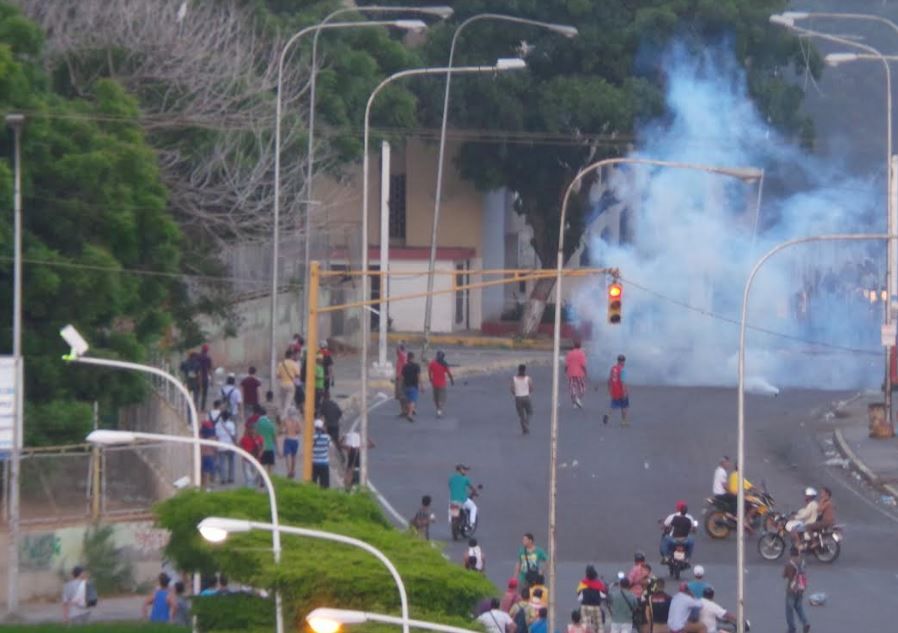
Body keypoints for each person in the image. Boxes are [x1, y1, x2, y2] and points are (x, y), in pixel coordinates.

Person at [783, 547, 810, 633]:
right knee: (799, 606)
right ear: (798, 553)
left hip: (791, 589)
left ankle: (792, 628)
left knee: (789, 610)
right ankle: (805, 622)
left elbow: (784, 575)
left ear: (790, 554)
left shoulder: (789, 564)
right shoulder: (802, 562)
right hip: (801, 588)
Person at [576, 564, 606, 633]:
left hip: (585, 607)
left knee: (585, 627)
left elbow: (579, 596)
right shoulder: (599, 583)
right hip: (596, 607)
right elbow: (603, 595)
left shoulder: (583, 583)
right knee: (599, 626)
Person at [603, 354, 629, 426]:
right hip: (621, 390)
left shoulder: (613, 368)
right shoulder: (622, 370)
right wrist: (624, 392)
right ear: (622, 361)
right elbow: (623, 382)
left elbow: (609, 380)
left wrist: (609, 390)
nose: (624, 363)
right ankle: (624, 421)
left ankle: (607, 415)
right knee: (624, 406)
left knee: (613, 405)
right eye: (623, 361)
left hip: (614, 390)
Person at [428, 350, 455, 418]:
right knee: (441, 398)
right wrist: (452, 380)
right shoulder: (444, 364)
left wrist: (430, 378)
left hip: (434, 383)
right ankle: (439, 411)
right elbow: (449, 373)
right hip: (442, 384)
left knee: (436, 398)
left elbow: (429, 370)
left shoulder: (432, 363)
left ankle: (438, 409)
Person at [214, 409, 237, 484]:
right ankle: (231, 478)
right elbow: (233, 435)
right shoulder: (231, 424)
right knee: (231, 462)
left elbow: (216, 436)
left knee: (222, 463)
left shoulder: (217, 425)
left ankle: (223, 479)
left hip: (221, 446)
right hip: (230, 445)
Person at [254, 404, 277, 476]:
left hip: (261, 448)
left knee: (262, 465)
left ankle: (262, 480)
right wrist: (277, 448)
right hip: (270, 447)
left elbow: (255, 435)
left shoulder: (257, 423)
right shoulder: (271, 423)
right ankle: (269, 479)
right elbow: (274, 437)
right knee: (270, 465)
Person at [511, 364, 534, 434]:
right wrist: (529, 392)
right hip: (526, 396)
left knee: (521, 415)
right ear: (525, 370)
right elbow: (531, 387)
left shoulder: (514, 378)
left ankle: (524, 427)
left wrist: (515, 394)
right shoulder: (528, 378)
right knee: (530, 412)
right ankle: (526, 422)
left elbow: (512, 389)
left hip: (518, 397)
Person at [276, 349, 301, 414]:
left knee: (282, 402)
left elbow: (278, 376)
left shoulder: (280, 364)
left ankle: (281, 416)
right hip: (290, 385)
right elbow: (297, 375)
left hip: (282, 384)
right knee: (288, 403)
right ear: (291, 356)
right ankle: (284, 417)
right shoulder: (294, 364)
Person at [239, 423, 263, 487]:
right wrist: (243, 453)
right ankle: (250, 488)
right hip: (247, 459)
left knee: (255, 476)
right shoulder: (244, 438)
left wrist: (261, 452)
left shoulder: (259, 438)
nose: (253, 431)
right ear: (248, 430)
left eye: (254, 429)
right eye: (251, 429)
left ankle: (252, 487)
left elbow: (262, 446)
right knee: (249, 477)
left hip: (256, 459)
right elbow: (240, 445)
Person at [565, 341, 588, 408]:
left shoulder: (569, 353)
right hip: (579, 373)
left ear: (574, 346)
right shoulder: (581, 354)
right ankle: (578, 399)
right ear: (580, 346)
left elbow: (566, 365)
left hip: (571, 373)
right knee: (582, 388)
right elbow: (583, 365)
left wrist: (565, 371)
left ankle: (574, 403)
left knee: (572, 388)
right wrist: (585, 372)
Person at [401, 351, 422, 420]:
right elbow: (418, 376)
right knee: (412, 401)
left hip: (406, 386)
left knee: (408, 400)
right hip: (413, 386)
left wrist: (401, 385)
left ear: (407, 358)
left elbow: (402, 377)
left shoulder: (405, 366)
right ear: (413, 358)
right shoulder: (417, 366)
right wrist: (421, 386)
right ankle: (409, 415)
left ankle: (410, 410)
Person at [282, 407, 301, 479]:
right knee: (293, 456)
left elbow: (281, 430)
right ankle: (292, 470)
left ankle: (289, 470)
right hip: (295, 440)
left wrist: (285, 431)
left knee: (287, 455)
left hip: (288, 439)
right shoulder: (297, 421)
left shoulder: (285, 420)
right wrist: (295, 430)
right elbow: (299, 431)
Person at [199, 414, 217, 488]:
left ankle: (204, 486)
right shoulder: (212, 438)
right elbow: (215, 447)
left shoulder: (200, 437)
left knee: (204, 472)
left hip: (203, 456)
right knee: (210, 472)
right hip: (210, 456)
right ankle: (209, 485)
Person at [312, 419, 331, 488]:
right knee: (324, 486)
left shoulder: (312, 437)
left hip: (314, 462)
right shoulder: (327, 437)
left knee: (312, 484)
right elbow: (329, 446)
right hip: (324, 463)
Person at [395, 341, 409, 416]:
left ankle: (405, 410)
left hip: (401, 377)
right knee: (402, 394)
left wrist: (398, 344)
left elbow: (398, 350)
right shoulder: (405, 355)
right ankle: (406, 409)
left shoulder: (402, 356)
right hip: (402, 377)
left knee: (401, 394)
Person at [198, 344, 213, 411]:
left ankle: (195, 406)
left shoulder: (198, 357)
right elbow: (209, 369)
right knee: (204, 394)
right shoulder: (208, 358)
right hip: (205, 377)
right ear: (207, 351)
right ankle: (202, 408)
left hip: (197, 377)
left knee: (196, 393)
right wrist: (212, 379)